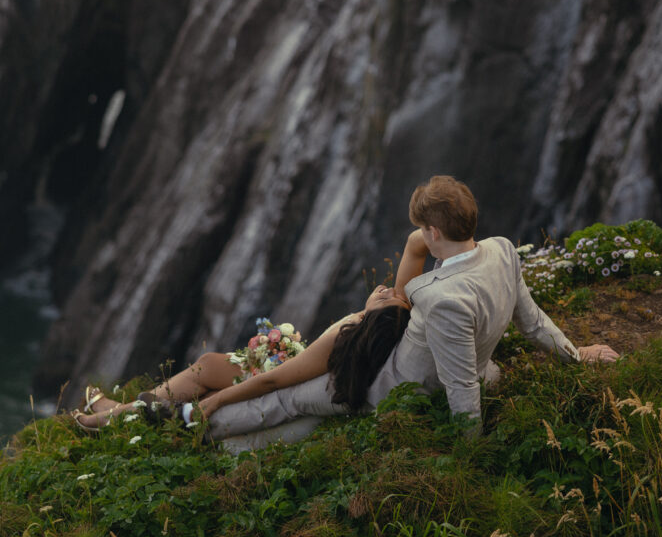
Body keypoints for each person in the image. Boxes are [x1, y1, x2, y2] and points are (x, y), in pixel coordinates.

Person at [195, 176, 618, 440]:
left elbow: (461, 391)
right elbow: (533, 323)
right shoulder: (502, 251)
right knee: (295, 408)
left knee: (287, 399)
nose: (418, 236)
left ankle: (197, 426)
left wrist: (468, 457)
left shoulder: (440, 299)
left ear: (434, 231)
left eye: (421, 230)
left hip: (389, 387)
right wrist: (576, 355)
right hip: (470, 364)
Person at [72, 284, 411, 431]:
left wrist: (218, 402)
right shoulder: (384, 325)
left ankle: (114, 417)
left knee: (206, 367)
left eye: (387, 298)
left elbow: (274, 380)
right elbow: (413, 249)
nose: (387, 290)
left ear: (372, 321)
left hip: (275, 382)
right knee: (207, 369)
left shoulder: (343, 337)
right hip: (286, 372)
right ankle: (123, 413)